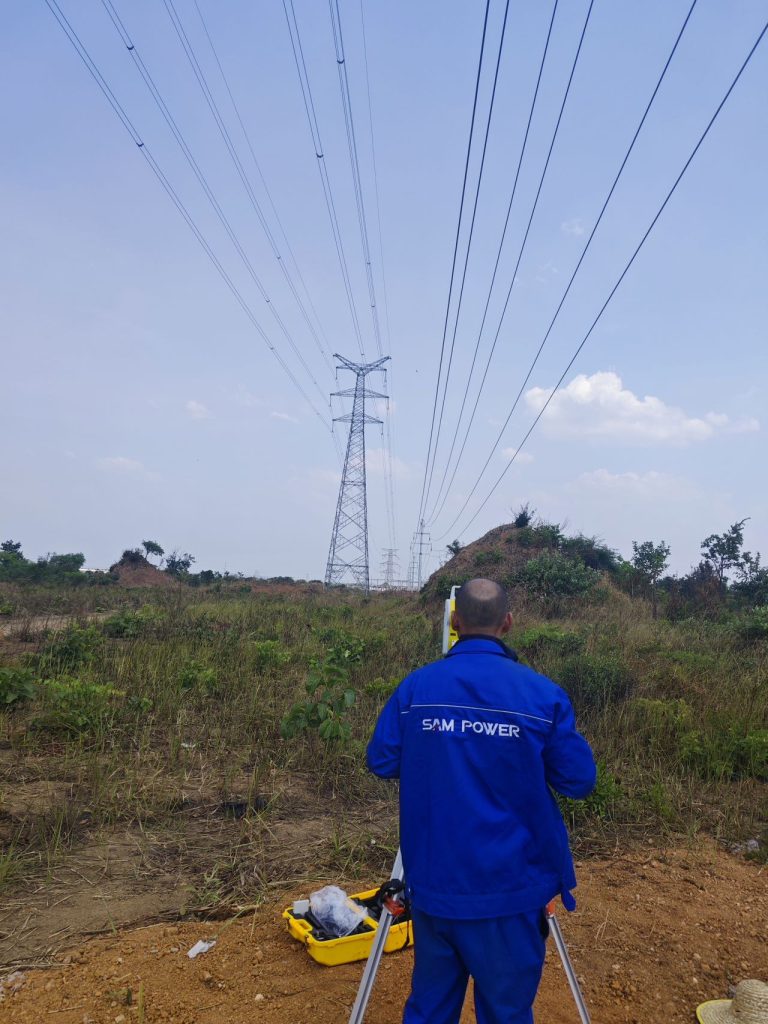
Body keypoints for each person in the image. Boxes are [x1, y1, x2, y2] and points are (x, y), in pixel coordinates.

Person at [366, 578, 596, 1024]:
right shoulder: (541, 694)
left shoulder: (416, 688)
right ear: (508, 623)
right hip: (510, 890)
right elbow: (579, 780)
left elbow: (382, 759)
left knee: (430, 1008)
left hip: (434, 886)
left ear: (456, 622)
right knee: (506, 1012)